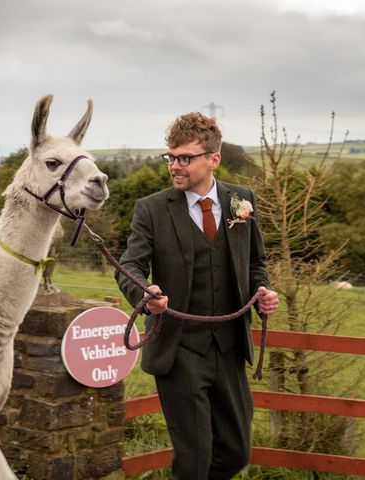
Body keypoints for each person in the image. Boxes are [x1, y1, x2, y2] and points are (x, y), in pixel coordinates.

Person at [115, 112, 279, 479]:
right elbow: (128, 266)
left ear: (213, 159)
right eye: (170, 157)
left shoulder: (242, 201)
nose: (174, 166)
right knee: (194, 460)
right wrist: (146, 294)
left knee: (236, 453)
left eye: (185, 158)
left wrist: (263, 291)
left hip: (230, 348)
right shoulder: (151, 209)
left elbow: (256, 263)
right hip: (179, 350)